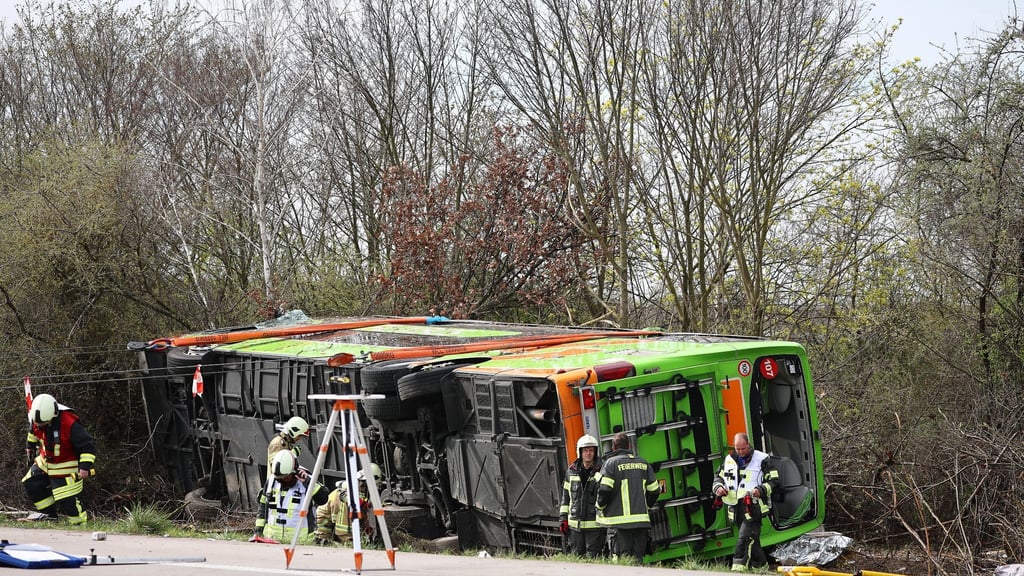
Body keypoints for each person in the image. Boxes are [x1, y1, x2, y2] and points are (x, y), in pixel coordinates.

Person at [22, 393, 97, 525]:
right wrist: (30, 446)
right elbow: (33, 431)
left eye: (43, 424)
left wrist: (85, 466)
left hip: (66, 467)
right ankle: (50, 517)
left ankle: (80, 525)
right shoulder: (37, 418)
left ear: (53, 415)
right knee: (31, 483)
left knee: (67, 500)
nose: (39, 426)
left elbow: (88, 446)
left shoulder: (69, 423)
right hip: (45, 463)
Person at [712, 432, 781, 572]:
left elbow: (774, 481)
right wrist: (718, 488)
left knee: (744, 539)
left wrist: (760, 490)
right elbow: (718, 477)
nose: (740, 452)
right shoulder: (729, 459)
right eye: (737, 449)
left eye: (743, 448)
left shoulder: (762, 459)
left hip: (753, 508)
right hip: (736, 509)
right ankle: (762, 570)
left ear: (748, 445)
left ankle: (737, 570)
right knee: (753, 543)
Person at [595, 432, 660, 563]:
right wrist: (645, 506)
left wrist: (599, 505)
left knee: (621, 563)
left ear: (613, 447)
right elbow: (654, 490)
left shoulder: (610, 464)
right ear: (629, 445)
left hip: (619, 526)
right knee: (637, 561)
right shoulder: (643, 463)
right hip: (641, 524)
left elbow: (605, 490)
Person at [253, 450, 328, 543]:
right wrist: (258, 529)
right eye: (280, 479)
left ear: (294, 472)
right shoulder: (272, 481)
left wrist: (308, 483)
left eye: (286, 478)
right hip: (271, 539)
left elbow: (323, 499)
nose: (283, 481)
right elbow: (263, 505)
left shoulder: (307, 481)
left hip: (300, 541)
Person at [559, 434, 606, 557]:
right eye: (585, 450)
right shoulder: (571, 471)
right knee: (577, 559)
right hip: (575, 527)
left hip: (595, 526)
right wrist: (563, 519)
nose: (588, 453)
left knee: (594, 559)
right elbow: (565, 497)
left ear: (595, 452)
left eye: (591, 450)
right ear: (580, 452)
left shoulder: (603, 470)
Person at [314, 463, 382, 545]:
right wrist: (349, 540)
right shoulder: (349, 491)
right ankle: (343, 539)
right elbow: (345, 499)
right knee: (327, 545)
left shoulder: (362, 488)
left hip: (334, 522)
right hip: (324, 522)